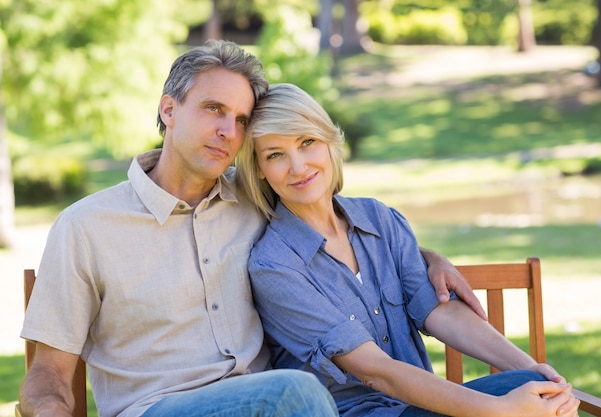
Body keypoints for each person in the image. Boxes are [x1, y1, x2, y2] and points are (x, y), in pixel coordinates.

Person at [18, 40, 477, 417]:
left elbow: (342, 226)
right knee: (293, 393)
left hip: (270, 406)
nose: (227, 130)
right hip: (163, 408)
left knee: (527, 390)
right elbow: (49, 373)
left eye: (240, 120)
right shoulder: (86, 227)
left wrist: (425, 258)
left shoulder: (256, 199)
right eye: (213, 109)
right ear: (169, 109)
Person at [236, 83, 581, 417]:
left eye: (306, 142)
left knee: (536, 387)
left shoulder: (379, 220)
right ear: (261, 171)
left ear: (329, 142)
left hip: (420, 408)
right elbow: (375, 371)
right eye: (275, 155)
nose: (298, 167)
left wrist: (540, 373)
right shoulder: (274, 266)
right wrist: (498, 409)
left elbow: (440, 312)